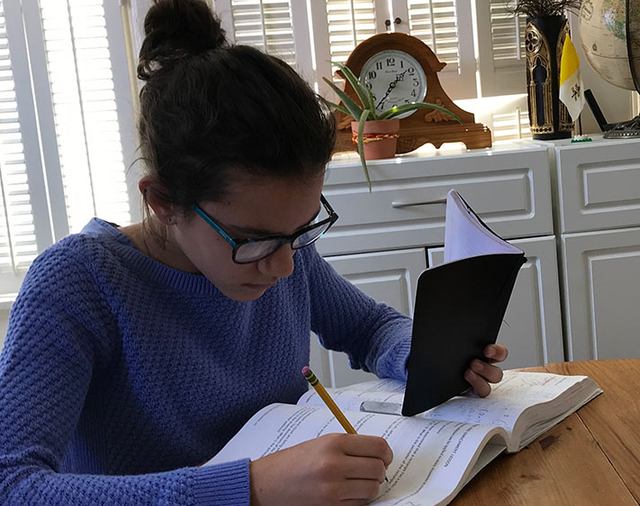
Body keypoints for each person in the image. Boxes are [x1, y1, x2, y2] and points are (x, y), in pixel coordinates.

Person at [0, 1, 508, 504]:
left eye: (301, 230)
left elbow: (368, 328)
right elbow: (14, 486)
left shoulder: (281, 251)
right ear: (162, 202)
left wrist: (428, 357)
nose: (285, 265)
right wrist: (250, 488)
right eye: (254, 241)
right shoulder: (78, 282)